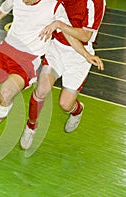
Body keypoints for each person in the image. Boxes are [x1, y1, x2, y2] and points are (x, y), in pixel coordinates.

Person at [0, 0, 99, 147]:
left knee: (6, 93)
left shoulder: (55, 6)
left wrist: (86, 54)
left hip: (27, 61)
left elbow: (68, 35)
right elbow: (2, 10)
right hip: (4, 51)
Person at [20, 0, 106, 150]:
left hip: (79, 56)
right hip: (57, 48)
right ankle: (31, 126)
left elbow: (85, 36)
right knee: (41, 90)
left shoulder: (96, 2)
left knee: (65, 104)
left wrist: (59, 25)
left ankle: (77, 110)